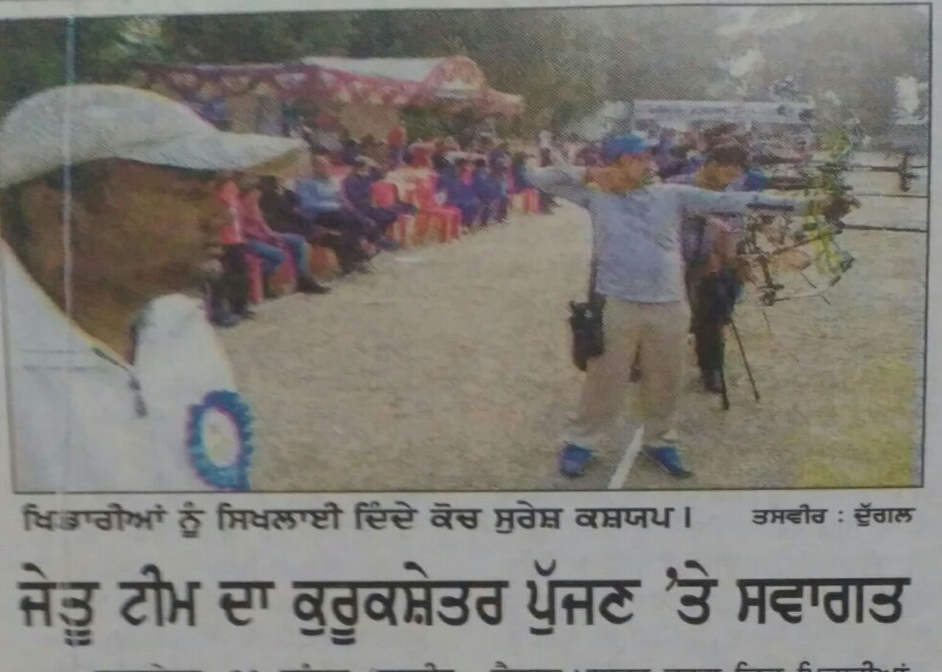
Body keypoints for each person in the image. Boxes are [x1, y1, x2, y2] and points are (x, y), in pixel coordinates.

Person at [0, 84, 309, 492]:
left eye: (220, 190)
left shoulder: (176, 322)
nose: (222, 214)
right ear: (57, 212)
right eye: (191, 192)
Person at [526, 134, 852, 479]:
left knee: (665, 377)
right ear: (614, 163)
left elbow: (742, 202)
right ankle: (581, 441)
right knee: (605, 377)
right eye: (634, 159)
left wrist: (814, 206)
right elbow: (535, 177)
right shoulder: (595, 195)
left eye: (646, 158)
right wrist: (590, 174)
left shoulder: (671, 194)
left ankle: (660, 439)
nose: (646, 164)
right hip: (617, 301)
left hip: (669, 302)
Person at [668, 142, 763, 393]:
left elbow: (736, 229)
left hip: (715, 266)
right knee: (666, 318)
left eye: (736, 176)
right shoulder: (676, 187)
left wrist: (731, 258)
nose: (730, 181)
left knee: (714, 317)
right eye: (728, 173)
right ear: (711, 165)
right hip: (674, 263)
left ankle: (711, 368)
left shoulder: (732, 195)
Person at [238, 178, 331, 295]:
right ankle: (263, 281)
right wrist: (268, 234)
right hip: (253, 239)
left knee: (298, 241)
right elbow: (246, 231)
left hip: (266, 234)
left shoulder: (255, 203)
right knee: (277, 255)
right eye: (255, 193)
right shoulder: (240, 207)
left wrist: (271, 234)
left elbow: (263, 225)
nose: (257, 196)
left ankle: (303, 279)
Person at [295, 154, 376, 273]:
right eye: (323, 166)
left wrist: (347, 207)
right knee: (353, 221)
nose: (327, 169)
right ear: (315, 167)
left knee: (355, 222)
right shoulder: (306, 183)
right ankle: (358, 255)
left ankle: (351, 259)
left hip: (338, 213)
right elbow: (306, 204)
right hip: (319, 215)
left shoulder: (332, 181)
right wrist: (335, 206)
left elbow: (341, 199)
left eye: (328, 166)